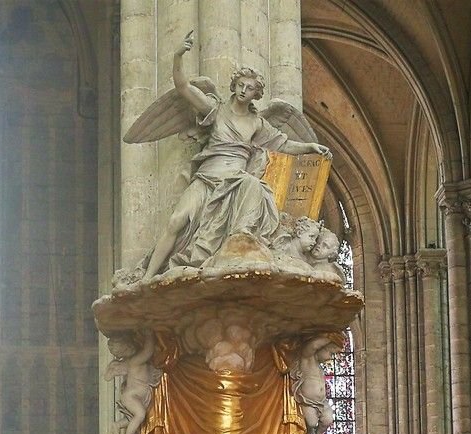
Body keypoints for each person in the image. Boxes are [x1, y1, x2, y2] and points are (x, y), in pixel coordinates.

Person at [142, 31, 332, 279]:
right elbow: (183, 87)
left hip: (236, 181)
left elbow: (283, 144)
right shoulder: (215, 110)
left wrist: (310, 147)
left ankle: (236, 251)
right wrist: (178, 55)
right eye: (240, 85)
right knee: (176, 220)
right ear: (234, 85)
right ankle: (148, 277)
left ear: (256, 93)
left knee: (255, 187)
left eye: (250, 88)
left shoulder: (257, 124)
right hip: (208, 176)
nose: (244, 90)